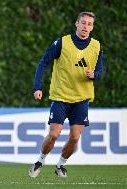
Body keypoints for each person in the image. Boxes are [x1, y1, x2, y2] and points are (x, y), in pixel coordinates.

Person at [29, 11, 103, 178]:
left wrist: (95, 75)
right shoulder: (62, 43)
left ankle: (60, 165)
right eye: (83, 23)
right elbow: (43, 62)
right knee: (54, 134)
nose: (86, 26)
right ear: (76, 24)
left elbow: (100, 70)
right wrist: (37, 87)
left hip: (82, 99)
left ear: (92, 28)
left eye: (89, 24)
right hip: (60, 97)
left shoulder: (96, 46)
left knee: (75, 138)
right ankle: (40, 161)